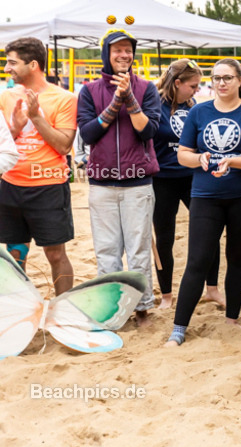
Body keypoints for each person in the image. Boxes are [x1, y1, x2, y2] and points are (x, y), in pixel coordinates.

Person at [165, 59, 241, 346]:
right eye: (216, 78)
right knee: (198, 260)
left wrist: (232, 160)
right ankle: (179, 328)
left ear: (239, 80)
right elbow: (182, 154)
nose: (221, 83)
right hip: (206, 195)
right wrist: (200, 158)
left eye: (227, 78)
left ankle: (232, 320)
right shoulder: (199, 112)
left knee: (237, 257)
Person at [77, 29, 163, 325]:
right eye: (117, 50)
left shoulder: (147, 88)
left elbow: (149, 131)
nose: (124, 55)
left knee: (139, 250)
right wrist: (116, 101)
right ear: (107, 54)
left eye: (128, 50)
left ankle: (142, 308)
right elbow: (88, 133)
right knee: (106, 251)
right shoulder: (89, 91)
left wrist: (130, 100)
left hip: (138, 183)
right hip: (102, 184)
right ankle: (112, 308)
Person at [0, 38, 78, 294]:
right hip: (10, 185)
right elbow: (3, 143)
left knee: (55, 255)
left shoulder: (64, 98)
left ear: (33, 64)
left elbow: (64, 147)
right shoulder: (6, 97)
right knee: (15, 254)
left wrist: (36, 118)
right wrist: (15, 128)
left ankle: (63, 311)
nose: (7, 68)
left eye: (12, 62)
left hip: (48, 187)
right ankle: (17, 311)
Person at [152, 59, 225, 309]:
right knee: (164, 237)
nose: (197, 90)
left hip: (192, 177)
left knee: (209, 232)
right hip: (162, 180)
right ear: (177, 83)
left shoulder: (194, 107)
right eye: (192, 86)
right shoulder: (155, 106)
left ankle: (212, 288)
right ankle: (166, 295)